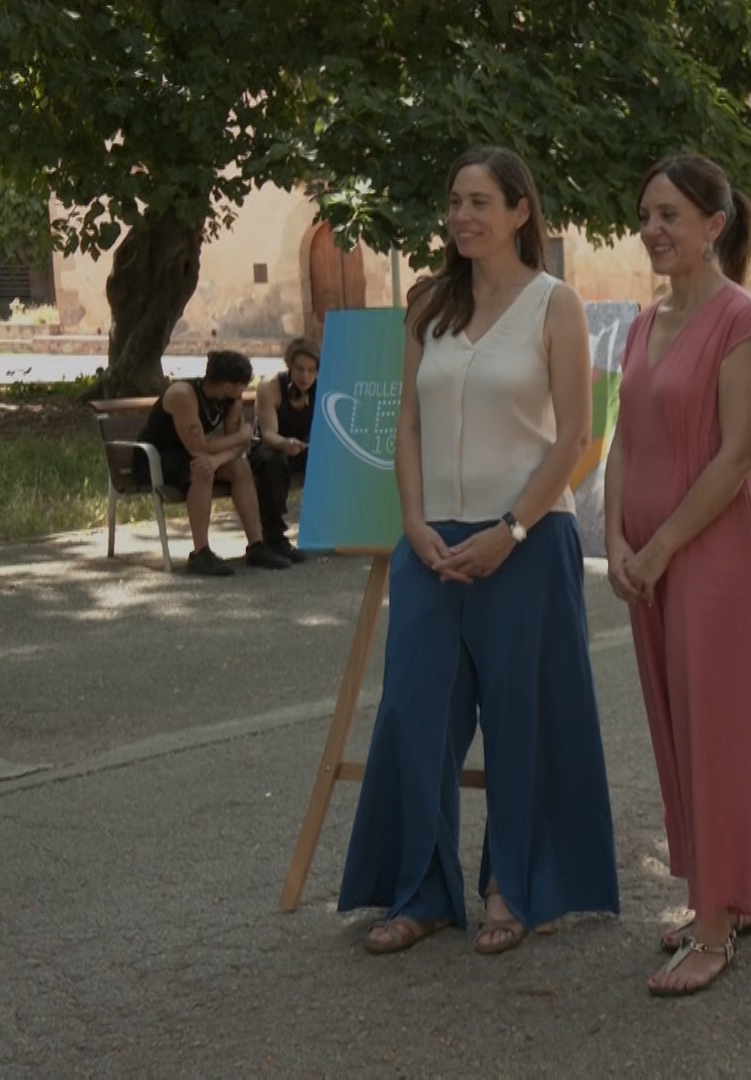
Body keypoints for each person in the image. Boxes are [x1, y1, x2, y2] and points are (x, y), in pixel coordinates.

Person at [335, 146, 620, 956]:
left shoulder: (555, 304)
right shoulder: (428, 305)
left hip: (528, 540)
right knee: (413, 715)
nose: (462, 216)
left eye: (480, 202)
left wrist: (512, 531)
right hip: (430, 544)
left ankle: (513, 888)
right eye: (455, 201)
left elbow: (574, 435)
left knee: (524, 721)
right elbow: (409, 426)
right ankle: (420, 892)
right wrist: (413, 521)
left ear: (520, 211)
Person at [604, 154, 751, 996]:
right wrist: (613, 537)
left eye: (669, 215)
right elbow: (623, 439)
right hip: (649, 558)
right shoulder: (645, 322)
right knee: (680, 729)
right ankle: (725, 895)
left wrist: (661, 546)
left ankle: (715, 928)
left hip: (711, 556)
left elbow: (737, 456)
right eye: (646, 215)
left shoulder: (740, 320)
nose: (652, 230)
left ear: (714, 225)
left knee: (718, 733)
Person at [133, 349, 292, 576]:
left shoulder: (231, 400)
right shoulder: (183, 395)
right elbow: (199, 447)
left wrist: (219, 459)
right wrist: (240, 437)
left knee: (240, 468)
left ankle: (257, 546)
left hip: (190, 455)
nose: (244, 391)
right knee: (203, 469)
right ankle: (201, 553)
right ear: (227, 386)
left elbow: (238, 449)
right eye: (242, 385)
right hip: (155, 459)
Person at [248, 336, 318, 563]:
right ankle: (274, 537)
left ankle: (336, 529)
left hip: (303, 448)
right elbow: (268, 434)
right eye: (299, 369)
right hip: (269, 448)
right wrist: (286, 444)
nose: (305, 376)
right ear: (289, 366)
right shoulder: (270, 387)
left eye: (311, 370)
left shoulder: (322, 387)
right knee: (273, 460)